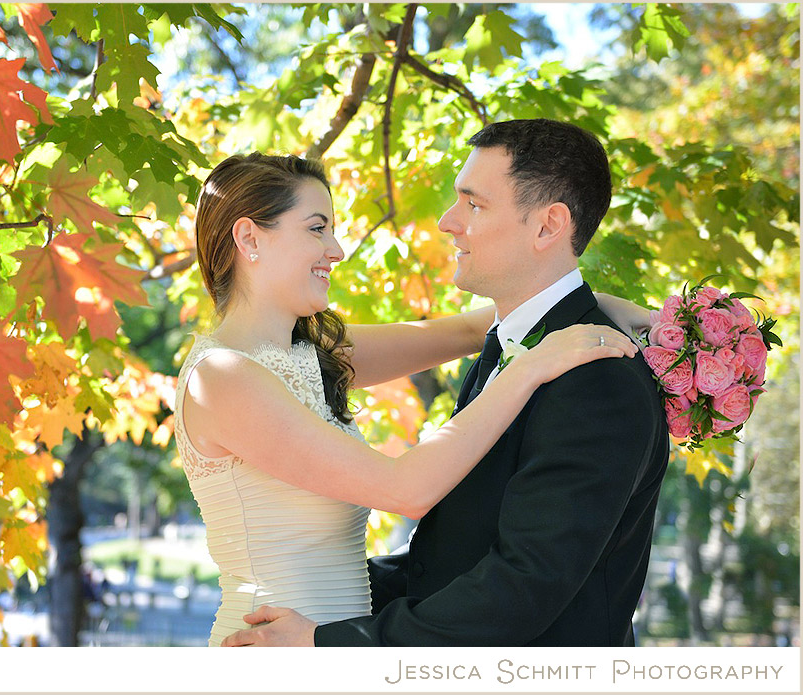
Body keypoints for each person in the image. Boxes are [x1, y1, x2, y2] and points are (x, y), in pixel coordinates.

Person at [221, 119, 670, 647]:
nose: (445, 221)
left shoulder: (596, 380)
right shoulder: (512, 350)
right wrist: (320, 593)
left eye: (473, 204)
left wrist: (328, 641)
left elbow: (521, 588)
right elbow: (456, 555)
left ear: (548, 227)